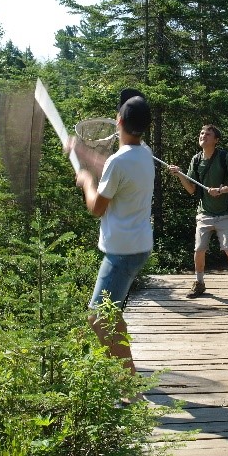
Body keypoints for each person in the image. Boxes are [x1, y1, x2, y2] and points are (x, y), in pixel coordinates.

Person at [65, 89, 154, 376]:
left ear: (118, 121)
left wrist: (86, 182)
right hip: (138, 246)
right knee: (110, 314)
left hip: (122, 253)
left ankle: (130, 384)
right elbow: (111, 169)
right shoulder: (144, 154)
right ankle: (127, 378)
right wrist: (79, 152)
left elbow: (97, 208)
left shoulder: (119, 162)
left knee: (99, 316)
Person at [168, 124, 228, 301]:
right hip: (204, 213)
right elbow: (191, 189)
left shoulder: (225, 157)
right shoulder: (196, 160)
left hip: (226, 213)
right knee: (199, 249)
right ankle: (199, 283)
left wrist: (222, 190)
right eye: (201, 133)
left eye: (208, 133)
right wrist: (180, 174)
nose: (203, 135)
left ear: (216, 140)